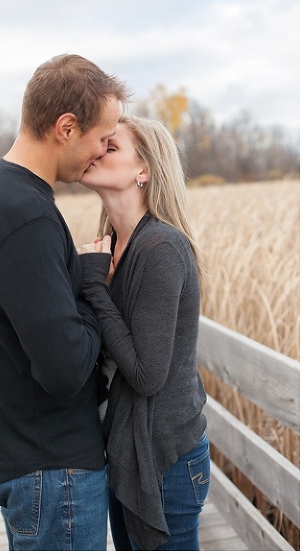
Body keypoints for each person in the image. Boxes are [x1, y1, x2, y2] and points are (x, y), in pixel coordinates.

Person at [0, 54, 130, 550]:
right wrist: (93, 285)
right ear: (66, 127)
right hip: (53, 473)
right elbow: (65, 368)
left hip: (25, 460)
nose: (100, 152)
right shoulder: (24, 213)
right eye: (101, 137)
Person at [77, 114, 209, 550]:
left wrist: (94, 287)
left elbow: (147, 374)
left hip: (164, 462)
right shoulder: (112, 243)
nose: (96, 150)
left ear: (144, 171)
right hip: (125, 453)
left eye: (110, 147)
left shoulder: (162, 248)